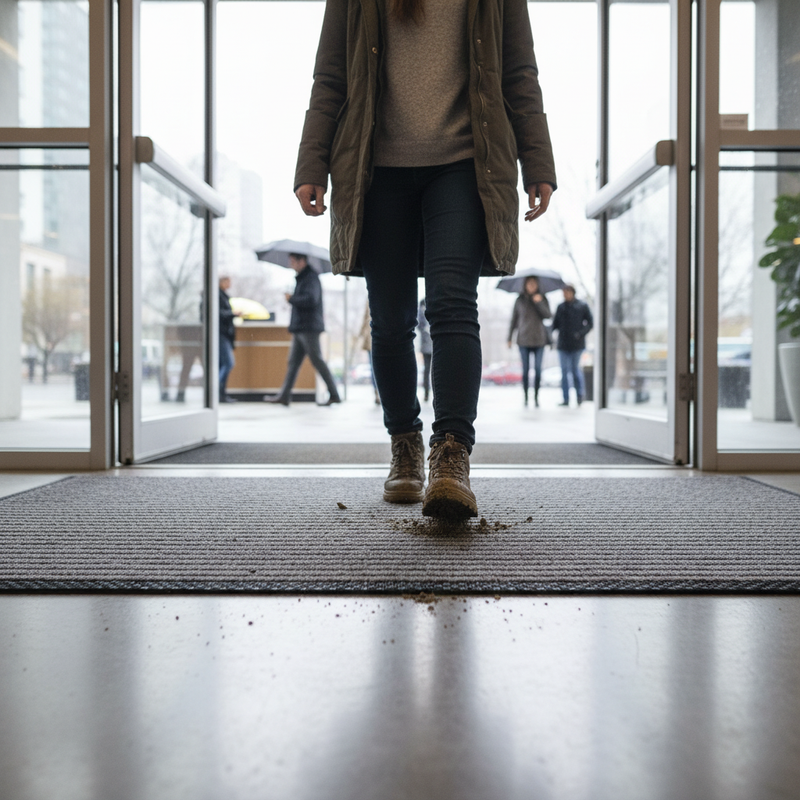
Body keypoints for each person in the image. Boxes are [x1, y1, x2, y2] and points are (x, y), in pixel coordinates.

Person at [293, 0, 556, 519]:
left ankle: (452, 454)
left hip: (464, 163)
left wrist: (538, 164)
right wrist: (312, 164)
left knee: (453, 304)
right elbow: (331, 76)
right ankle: (406, 443)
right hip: (376, 167)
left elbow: (519, 73)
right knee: (390, 322)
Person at [265, 253, 341, 407]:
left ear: (302, 261)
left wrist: (291, 299)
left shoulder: (311, 278)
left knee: (317, 361)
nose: (291, 264)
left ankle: (334, 394)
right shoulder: (302, 278)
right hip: (301, 327)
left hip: (309, 327)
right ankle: (284, 396)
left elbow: (311, 299)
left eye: (293, 261)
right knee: (293, 363)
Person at [507, 276, 551, 407]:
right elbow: (513, 320)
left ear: (537, 285)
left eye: (534, 283)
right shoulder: (519, 300)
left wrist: (539, 302)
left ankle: (536, 397)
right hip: (523, 340)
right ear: (525, 285)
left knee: (538, 370)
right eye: (529, 283)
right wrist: (509, 338)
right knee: (525, 370)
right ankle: (526, 397)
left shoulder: (543, 298)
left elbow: (548, 315)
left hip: (539, 340)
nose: (531, 286)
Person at [551, 284, 593, 407]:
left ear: (572, 292)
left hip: (577, 344)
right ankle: (565, 398)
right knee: (564, 371)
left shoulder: (582, 306)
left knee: (575, 370)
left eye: (567, 292)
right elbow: (555, 325)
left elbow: (590, 323)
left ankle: (580, 395)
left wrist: (580, 334)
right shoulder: (561, 307)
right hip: (563, 344)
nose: (565, 294)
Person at [218, 275, 239, 403]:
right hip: (221, 334)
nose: (229, 284)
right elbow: (218, 313)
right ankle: (216, 390)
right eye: (228, 281)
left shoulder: (223, 296)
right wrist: (232, 313)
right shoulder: (216, 296)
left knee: (222, 364)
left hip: (224, 334)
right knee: (228, 363)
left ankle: (221, 394)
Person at [417, 298, 432, 403]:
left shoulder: (421, 313)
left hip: (426, 345)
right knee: (433, 370)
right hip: (433, 344)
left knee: (427, 370)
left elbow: (419, 326)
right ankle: (430, 392)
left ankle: (427, 393)